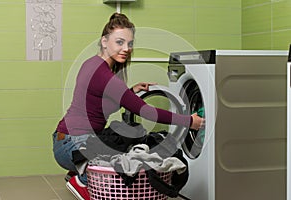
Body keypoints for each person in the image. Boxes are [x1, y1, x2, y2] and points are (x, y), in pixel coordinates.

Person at [52, 12, 204, 200]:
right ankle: (83, 180)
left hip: (64, 139)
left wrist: (130, 91)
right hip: (72, 144)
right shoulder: (104, 75)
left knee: (125, 146)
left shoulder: (92, 64)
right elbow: (146, 111)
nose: (126, 48)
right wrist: (189, 121)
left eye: (129, 44)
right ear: (104, 41)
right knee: (124, 159)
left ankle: (80, 171)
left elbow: (102, 107)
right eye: (119, 42)